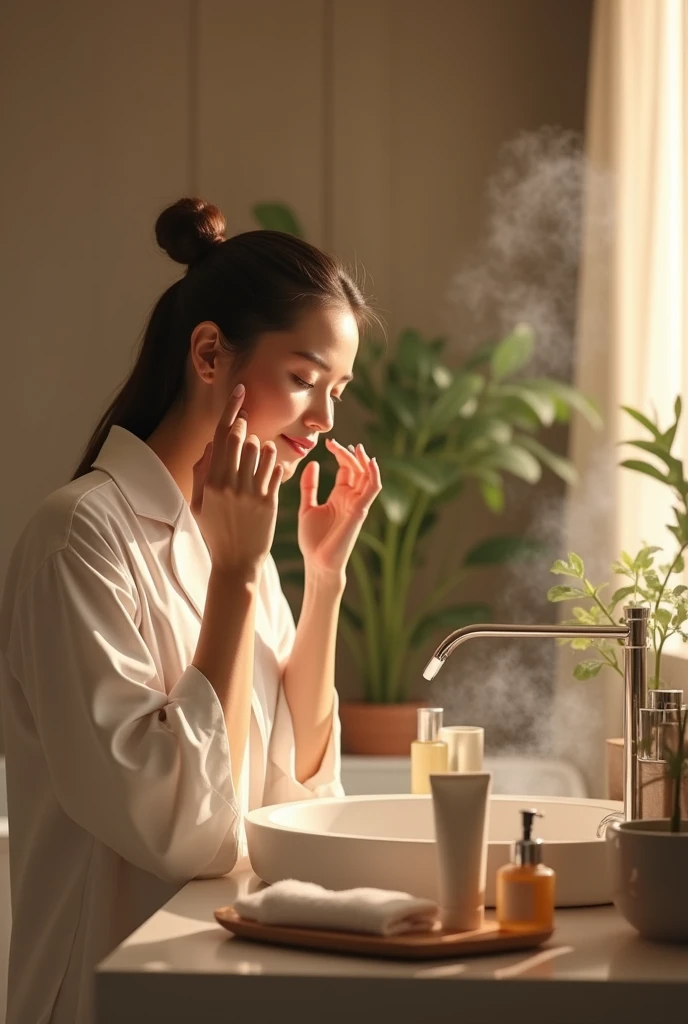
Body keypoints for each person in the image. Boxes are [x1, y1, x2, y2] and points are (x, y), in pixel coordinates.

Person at [0, 197, 382, 1024]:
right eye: (304, 380)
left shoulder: (233, 535)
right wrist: (238, 577)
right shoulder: (77, 537)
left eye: (336, 392)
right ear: (210, 353)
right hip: (104, 987)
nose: (322, 422)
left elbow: (296, 794)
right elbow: (179, 827)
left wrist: (322, 579)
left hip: (217, 971)